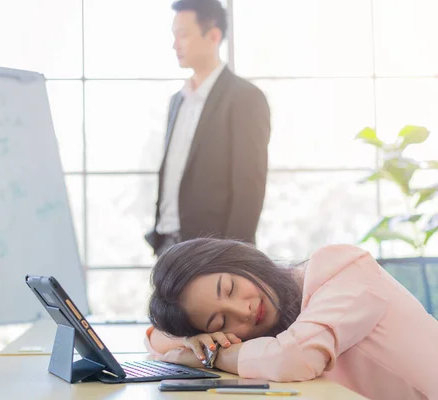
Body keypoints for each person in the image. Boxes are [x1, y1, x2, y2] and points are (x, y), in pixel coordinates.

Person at [144, 238, 438, 400]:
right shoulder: (273, 327)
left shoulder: (341, 268)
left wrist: (208, 356)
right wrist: (191, 341)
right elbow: (156, 337)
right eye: (220, 323)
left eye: (230, 288)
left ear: (238, 260)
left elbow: (295, 357)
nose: (242, 310)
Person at [145, 0, 271, 257]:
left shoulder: (245, 98)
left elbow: (250, 189)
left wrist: (235, 260)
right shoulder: (177, 100)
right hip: (167, 247)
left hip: (212, 253)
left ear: (212, 36)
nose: (175, 44)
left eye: (183, 34)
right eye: (173, 35)